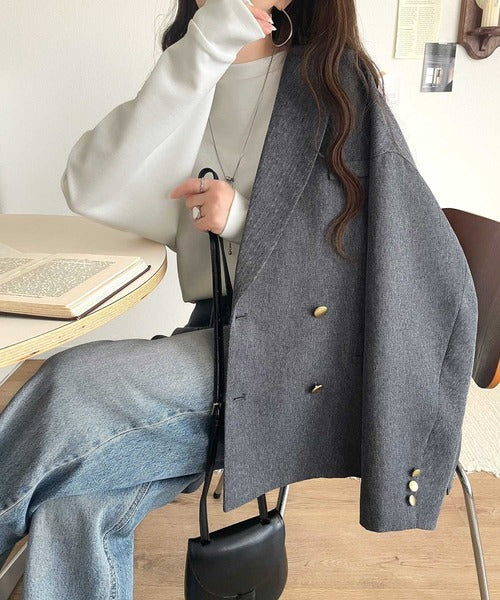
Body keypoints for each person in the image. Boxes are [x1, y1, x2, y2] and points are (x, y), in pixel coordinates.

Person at [0, 0, 388, 597]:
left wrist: (243, 218)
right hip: (214, 328)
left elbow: (365, 245)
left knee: (70, 385)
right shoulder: (196, 63)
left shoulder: (333, 80)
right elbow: (90, 185)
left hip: (291, 355)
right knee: (77, 502)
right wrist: (205, 46)